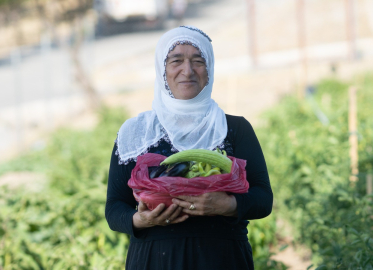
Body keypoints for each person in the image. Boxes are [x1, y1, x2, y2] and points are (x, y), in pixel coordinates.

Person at [105, 26, 273, 270]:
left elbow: (263, 199)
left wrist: (228, 205)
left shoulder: (235, 128)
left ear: (209, 69)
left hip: (222, 259)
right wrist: (140, 220)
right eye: (176, 60)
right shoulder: (136, 132)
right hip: (154, 260)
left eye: (198, 61)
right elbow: (114, 208)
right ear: (162, 69)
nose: (188, 70)